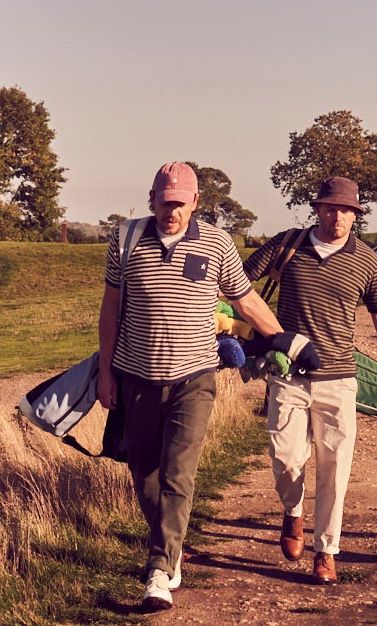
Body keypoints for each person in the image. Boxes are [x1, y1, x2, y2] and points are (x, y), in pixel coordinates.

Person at [98, 161, 282, 613]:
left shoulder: (217, 243)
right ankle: (171, 547)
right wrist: (106, 372)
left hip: (194, 379)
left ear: (196, 202)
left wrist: (284, 341)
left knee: (178, 473)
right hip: (136, 377)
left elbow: (245, 300)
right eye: (165, 202)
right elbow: (109, 310)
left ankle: (158, 571)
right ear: (152, 199)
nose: (172, 212)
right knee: (143, 475)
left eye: (181, 203)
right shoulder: (124, 240)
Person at [243, 176, 377, 584]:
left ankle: (327, 551)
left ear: (356, 216)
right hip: (287, 375)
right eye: (331, 208)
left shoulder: (367, 260)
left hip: (339, 379)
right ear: (317, 209)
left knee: (335, 468)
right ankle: (293, 511)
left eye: (347, 211)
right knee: (286, 459)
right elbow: (237, 283)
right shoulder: (289, 244)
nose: (339, 217)